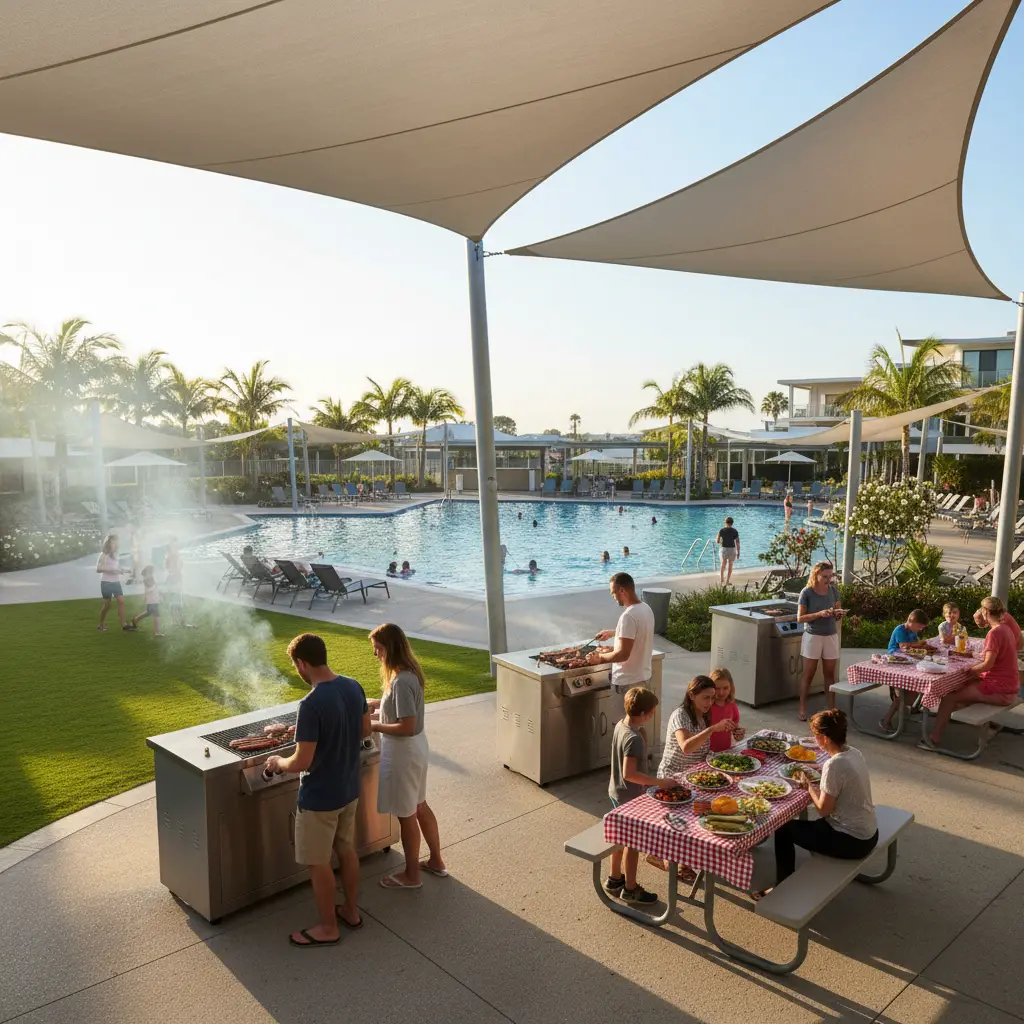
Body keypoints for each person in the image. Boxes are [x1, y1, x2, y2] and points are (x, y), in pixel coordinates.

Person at [264, 633, 370, 946]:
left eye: (295, 665)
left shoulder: (310, 704)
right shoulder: (353, 685)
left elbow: (301, 761)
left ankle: (327, 927)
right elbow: (365, 730)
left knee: (318, 862)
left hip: (320, 798)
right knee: (346, 850)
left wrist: (277, 762)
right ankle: (350, 911)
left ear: (302, 663)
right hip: (349, 789)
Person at [753, 709, 877, 899]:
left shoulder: (833, 765)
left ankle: (782, 887)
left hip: (852, 841)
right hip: (869, 832)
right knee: (802, 827)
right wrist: (817, 769)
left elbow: (824, 810)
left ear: (825, 738)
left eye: (815, 736)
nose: (814, 740)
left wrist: (808, 785)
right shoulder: (854, 753)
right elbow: (840, 779)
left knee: (783, 828)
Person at [368, 623, 446, 889]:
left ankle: (412, 876)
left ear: (390, 648)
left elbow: (406, 726)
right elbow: (401, 712)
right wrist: (378, 705)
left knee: (407, 813)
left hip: (403, 753)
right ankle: (436, 861)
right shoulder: (408, 674)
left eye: (378, 649)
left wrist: (373, 726)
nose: (376, 654)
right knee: (420, 805)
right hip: (416, 749)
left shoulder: (401, 681)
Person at [927, 597, 1021, 747]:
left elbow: (987, 665)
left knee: (949, 697)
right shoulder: (1006, 629)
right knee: (963, 688)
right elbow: (992, 657)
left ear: (986, 612)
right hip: (1010, 685)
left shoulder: (994, 633)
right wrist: (970, 655)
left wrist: (970, 670)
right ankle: (989, 726)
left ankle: (933, 738)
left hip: (999, 689)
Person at [604, 687, 668, 904]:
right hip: (629, 798)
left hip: (616, 792)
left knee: (619, 837)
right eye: (651, 712)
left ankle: (615, 878)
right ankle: (630, 888)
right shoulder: (634, 738)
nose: (652, 715)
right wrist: (660, 782)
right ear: (643, 713)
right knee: (632, 843)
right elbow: (629, 773)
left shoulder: (622, 726)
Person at [590, 573, 656, 718]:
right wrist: (613, 633)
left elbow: (622, 654)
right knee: (638, 723)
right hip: (643, 678)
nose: (613, 597)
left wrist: (600, 658)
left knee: (623, 726)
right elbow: (637, 631)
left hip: (627, 683)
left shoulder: (628, 616)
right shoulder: (646, 609)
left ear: (621, 590)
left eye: (613, 593)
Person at [658, 675, 735, 778]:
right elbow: (686, 747)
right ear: (692, 695)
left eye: (712, 698)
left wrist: (734, 730)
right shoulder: (680, 715)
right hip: (673, 776)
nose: (710, 702)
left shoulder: (704, 714)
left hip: (696, 774)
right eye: (706, 698)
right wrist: (712, 729)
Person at [796, 561, 844, 721]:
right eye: (825, 576)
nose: (828, 579)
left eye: (831, 576)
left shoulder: (833, 590)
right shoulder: (807, 592)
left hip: (831, 635)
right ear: (816, 575)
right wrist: (819, 614)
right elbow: (800, 618)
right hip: (813, 636)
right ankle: (802, 708)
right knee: (808, 674)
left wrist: (838, 614)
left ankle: (831, 709)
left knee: (830, 674)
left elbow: (837, 612)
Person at [879, 609, 929, 731]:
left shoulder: (912, 632)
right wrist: (919, 644)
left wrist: (921, 647)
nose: (920, 629)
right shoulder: (900, 630)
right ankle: (887, 718)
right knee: (905, 694)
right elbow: (904, 646)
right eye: (919, 626)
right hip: (896, 660)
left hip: (908, 660)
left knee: (920, 680)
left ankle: (911, 705)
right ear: (912, 621)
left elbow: (913, 646)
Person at [96, 534, 132, 631]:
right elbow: (98, 569)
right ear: (108, 544)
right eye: (112, 542)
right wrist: (111, 570)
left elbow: (116, 567)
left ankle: (124, 625)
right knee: (108, 604)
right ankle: (101, 625)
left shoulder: (116, 554)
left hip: (115, 582)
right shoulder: (104, 555)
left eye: (116, 542)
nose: (114, 544)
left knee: (121, 601)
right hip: (106, 582)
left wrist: (125, 570)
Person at [709, 667, 745, 752]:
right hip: (706, 753)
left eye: (725, 688)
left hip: (725, 751)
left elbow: (735, 726)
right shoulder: (706, 706)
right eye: (717, 688)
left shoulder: (732, 705)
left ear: (731, 687)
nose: (721, 692)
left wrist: (738, 733)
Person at [130, 565, 166, 636]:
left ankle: (136, 619)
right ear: (149, 572)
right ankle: (156, 632)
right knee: (156, 615)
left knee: (149, 612)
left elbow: (153, 589)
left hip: (153, 599)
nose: (153, 573)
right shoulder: (147, 578)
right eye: (152, 571)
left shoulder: (149, 578)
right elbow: (149, 589)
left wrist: (160, 594)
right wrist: (156, 587)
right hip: (153, 600)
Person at [716, 516, 740, 585]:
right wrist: (738, 552)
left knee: (723, 564)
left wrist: (720, 539)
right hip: (732, 550)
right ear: (732, 523)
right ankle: (727, 581)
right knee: (730, 565)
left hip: (724, 549)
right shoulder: (735, 531)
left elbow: (717, 541)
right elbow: (737, 542)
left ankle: (721, 580)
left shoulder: (721, 530)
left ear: (725, 522)